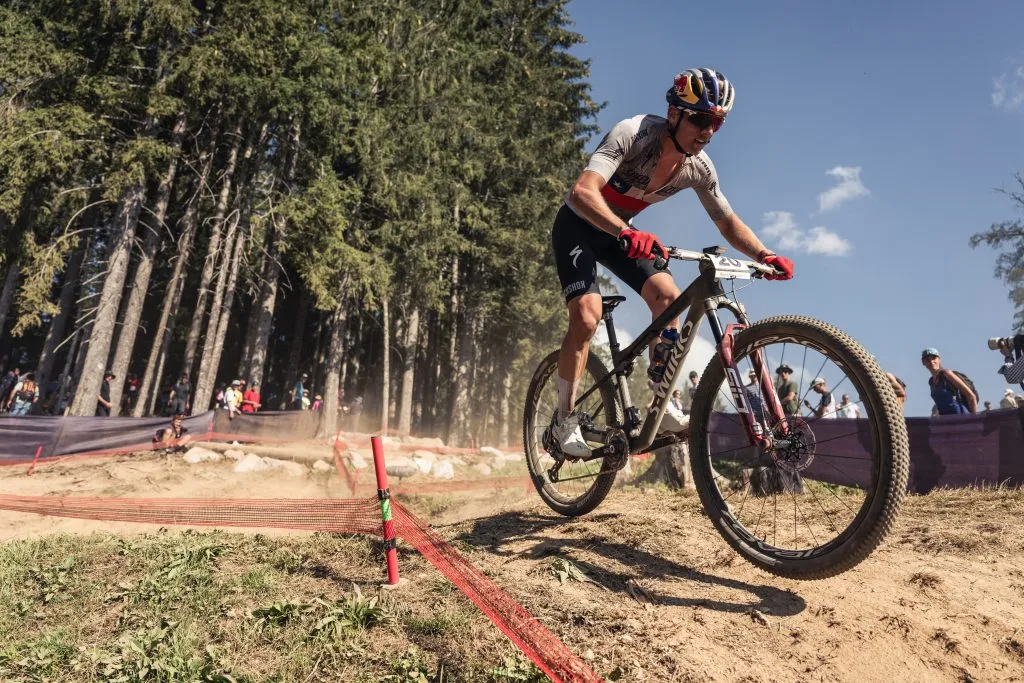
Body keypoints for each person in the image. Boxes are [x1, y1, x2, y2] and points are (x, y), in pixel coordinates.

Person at [547, 69, 794, 456]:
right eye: (701, 119)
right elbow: (582, 192)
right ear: (675, 113)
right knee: (586, 318)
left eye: (717, 123)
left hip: (620, 232)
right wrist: (625, 231)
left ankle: (657, 407)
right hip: (578, 225)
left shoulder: (699, 167)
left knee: (669, 297)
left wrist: (764, 254)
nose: (708, 131)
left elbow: (727, 222)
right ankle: (563, 421)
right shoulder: (634, 134)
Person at [922, 348, 977, 415]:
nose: (931, 361)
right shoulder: (931, 382)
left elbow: (971, 396)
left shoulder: (946, 374)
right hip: (946, 419)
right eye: (927, 360)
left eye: (934, 358)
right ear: (923, 362)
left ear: (939, 360)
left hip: (961, 417)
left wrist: (974, 419)